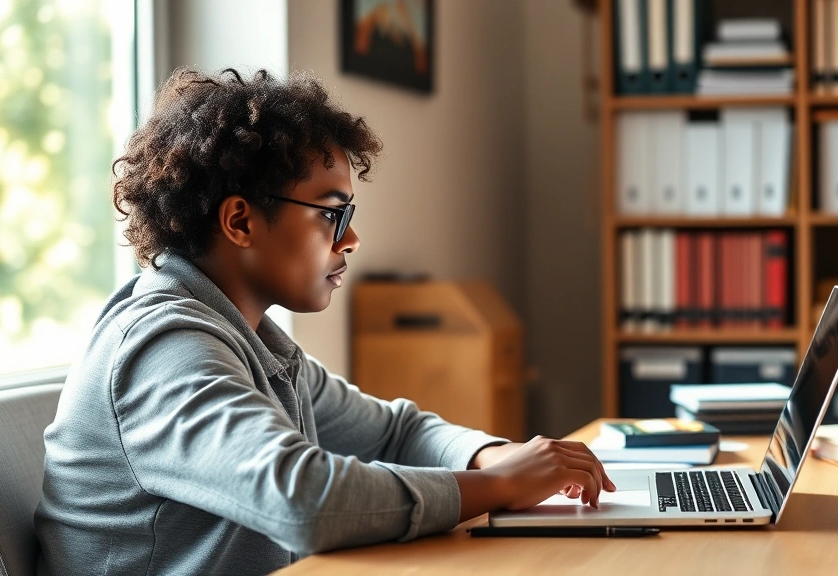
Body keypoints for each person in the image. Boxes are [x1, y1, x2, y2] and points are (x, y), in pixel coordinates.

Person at [34, 68, 615, 576]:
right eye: (333, 215)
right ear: (240, 221)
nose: (353, 239)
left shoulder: (252, 340)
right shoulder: (164, 346)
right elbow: (303, 500)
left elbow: (395, 433)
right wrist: (499, 488)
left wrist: (496, 458)